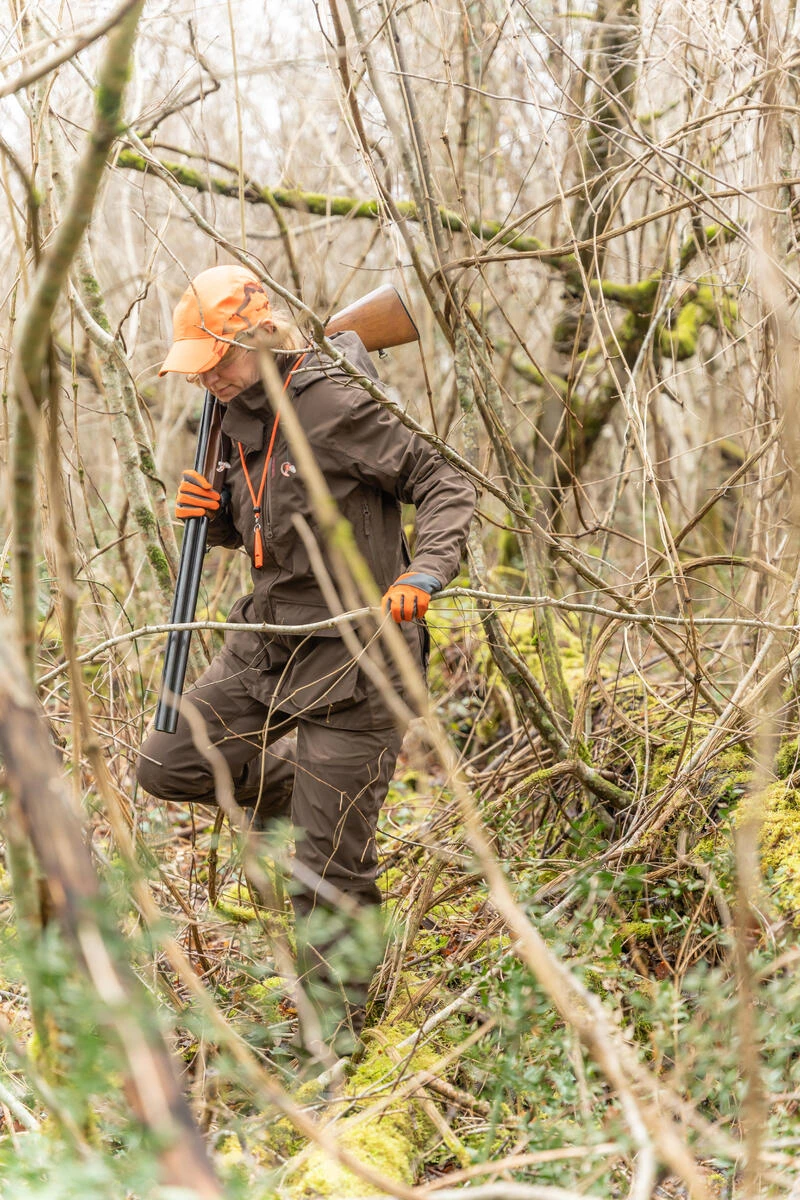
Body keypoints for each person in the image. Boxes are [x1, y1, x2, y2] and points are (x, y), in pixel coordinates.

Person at [137, 264, 475, 1061]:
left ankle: (335, 1045)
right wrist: (212, 516)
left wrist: (422, 574)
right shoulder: (223, 416)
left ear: (258, 340)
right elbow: (265, 524)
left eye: (217, 360)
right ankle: (314, 796)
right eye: (200, 365)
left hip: (360, 658)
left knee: (326, 874)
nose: (209, 378)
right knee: (169, 761)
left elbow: (444, 481)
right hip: (269, 643)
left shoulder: (335, 402)